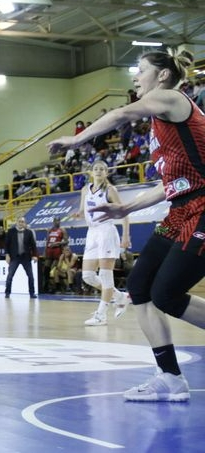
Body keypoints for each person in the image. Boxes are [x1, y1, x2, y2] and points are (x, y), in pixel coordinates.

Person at [47, 46, 199, 402]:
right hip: (181, 210)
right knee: (139, 284)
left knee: (166, 294)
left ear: (162, 75)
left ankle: (170, 376)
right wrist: (125, 208)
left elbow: (123, 113)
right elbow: (170, 185)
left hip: (202, 208)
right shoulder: (163, 122)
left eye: (140, 69)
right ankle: (170, 377)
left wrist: (77, 139)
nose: (135, 76)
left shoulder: (171, 99)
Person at [75, 160, 131, 326]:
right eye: (96, 169)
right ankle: (120, 296)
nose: (98, 171)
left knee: (106, 276)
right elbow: (82, 210)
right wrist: (78, 214)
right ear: (91, 172)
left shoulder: (110, 190)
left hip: (106, 231)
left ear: (106, 173)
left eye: (102, 169)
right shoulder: (85, 190)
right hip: (92, 232)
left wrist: (125, 235)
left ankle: (101, 315)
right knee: (88, 276)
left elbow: (124, 212)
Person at [4, 216, 38, 298]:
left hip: (26, 257)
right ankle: (7, 292)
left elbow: (33, 245)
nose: (21, 223)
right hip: (14, 257)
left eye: (22, 222)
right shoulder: (11, 231)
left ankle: (32, 293)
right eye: (19, 221)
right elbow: (6, 244)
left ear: (25, 223)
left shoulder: (29, 232)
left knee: (30, 276)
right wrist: (7, 255)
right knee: (10, 275)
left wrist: (35, 255)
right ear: (16, 222)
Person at [43, 217, 68, 292]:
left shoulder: (62, 230)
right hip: (49, 250)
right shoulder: (50, 230)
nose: (57, 222)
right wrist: (45, 251)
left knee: (54, 268)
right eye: (56, 221)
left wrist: (58, 243)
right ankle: (46, 286)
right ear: (53, 222)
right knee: (46, 269)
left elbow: (66, 241)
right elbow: (47, 241)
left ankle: (56, 287)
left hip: (57, 250)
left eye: (59, 221)